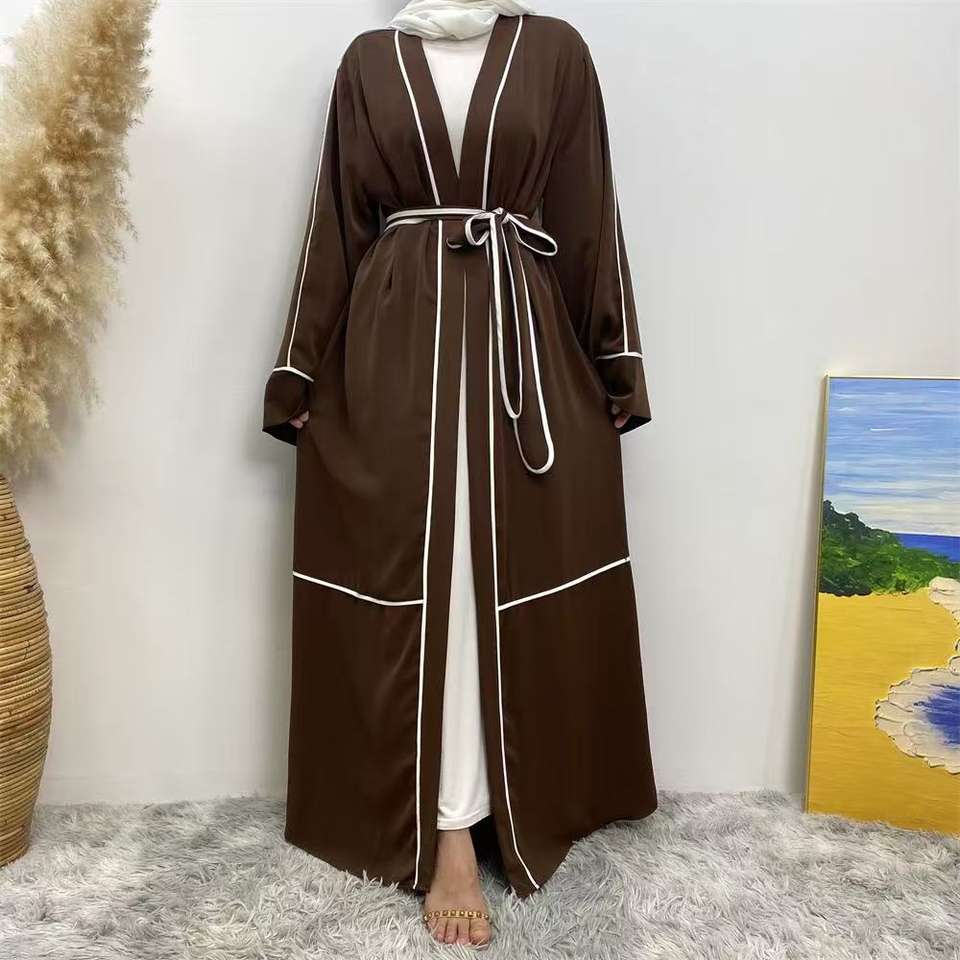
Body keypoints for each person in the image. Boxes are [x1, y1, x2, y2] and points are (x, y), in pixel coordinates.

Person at [263, 0, 657, 948]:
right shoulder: (369, 60)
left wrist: (616, 357)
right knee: (426, 582)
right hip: (396, 350)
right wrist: (298, 367)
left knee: (494, 577)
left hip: (521, 353)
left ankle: (494, 805)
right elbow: (335, 223)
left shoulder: (555, 51)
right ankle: (447, 832)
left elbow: (588, 210)